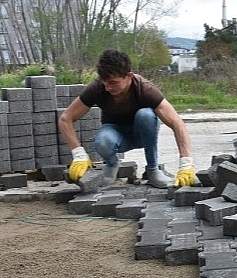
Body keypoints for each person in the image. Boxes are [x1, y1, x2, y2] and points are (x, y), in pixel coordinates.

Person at [58, 49, 196, 188]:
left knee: (146, 115)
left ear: (128, 76)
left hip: (142, 134)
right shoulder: (98, 88)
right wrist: (78, 154)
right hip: (116, 135)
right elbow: (66, 118)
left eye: (113, 82)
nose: (107, 88)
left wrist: (186, 163)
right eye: (104, 82)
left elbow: (177, 123)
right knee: (103, 140)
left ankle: (153, 170)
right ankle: (112, 165)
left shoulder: (145, 89)